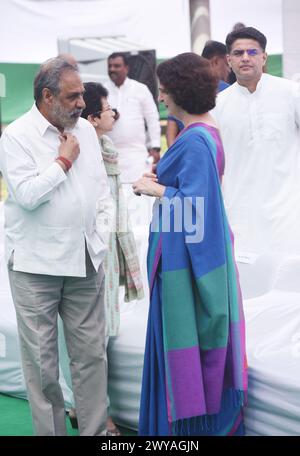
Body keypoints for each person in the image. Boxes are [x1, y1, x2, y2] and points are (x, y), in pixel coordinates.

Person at [133, 53, 247, 436]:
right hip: (183, 258)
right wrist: (165, 182)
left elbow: (198, 210)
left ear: (179, 92)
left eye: (164, 90)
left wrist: (155, 188)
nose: (162, 98)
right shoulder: (201, 133)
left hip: (188, 268)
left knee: (189, 352)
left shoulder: (197, 140)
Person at [0, 57, 113, 436]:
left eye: (81, 94)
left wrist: (102, 239)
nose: (82, 103)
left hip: (85, 261)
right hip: (36, 267)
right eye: (73, 96)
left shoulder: (86, 132)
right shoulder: (16, 136)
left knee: (91, 357)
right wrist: (62, 163)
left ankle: (96, 433)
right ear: (47, 96)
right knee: (42, 365)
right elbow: (28, 195)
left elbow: (101, 190)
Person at [62, 81, 145, 436]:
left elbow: (110, 203)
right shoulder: (83, 152)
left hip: (105, 249)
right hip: (88, 252)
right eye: (110, 109)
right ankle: (96, 415)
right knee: (91, 339)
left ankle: (84, 408)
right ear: (93, 118)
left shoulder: (105, 148)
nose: (115, 114)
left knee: (102, 334)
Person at [213, 26, 300, 255]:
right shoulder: (218, 105)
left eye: (252, 52)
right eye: (238, 53)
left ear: (264, 57)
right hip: (241, 214)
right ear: (228, 60)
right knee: (249, 283)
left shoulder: (291, 93)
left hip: (288, 212)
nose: (245, 58)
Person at [104, 52, 161, 183]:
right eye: (110, 66)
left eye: (117, 66)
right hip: (109, 155)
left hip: (137, 154)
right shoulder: (102, 90)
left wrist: (155, 147)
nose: (112, 69)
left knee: (140, 194)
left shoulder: (140, 89)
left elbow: (152, 118)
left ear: (126, 68)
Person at [166, 41, 230, 147]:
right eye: (227, 64)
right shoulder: (227, 90)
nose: (229, 70)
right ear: (216, 62)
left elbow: (170, 133)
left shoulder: (183, 86)